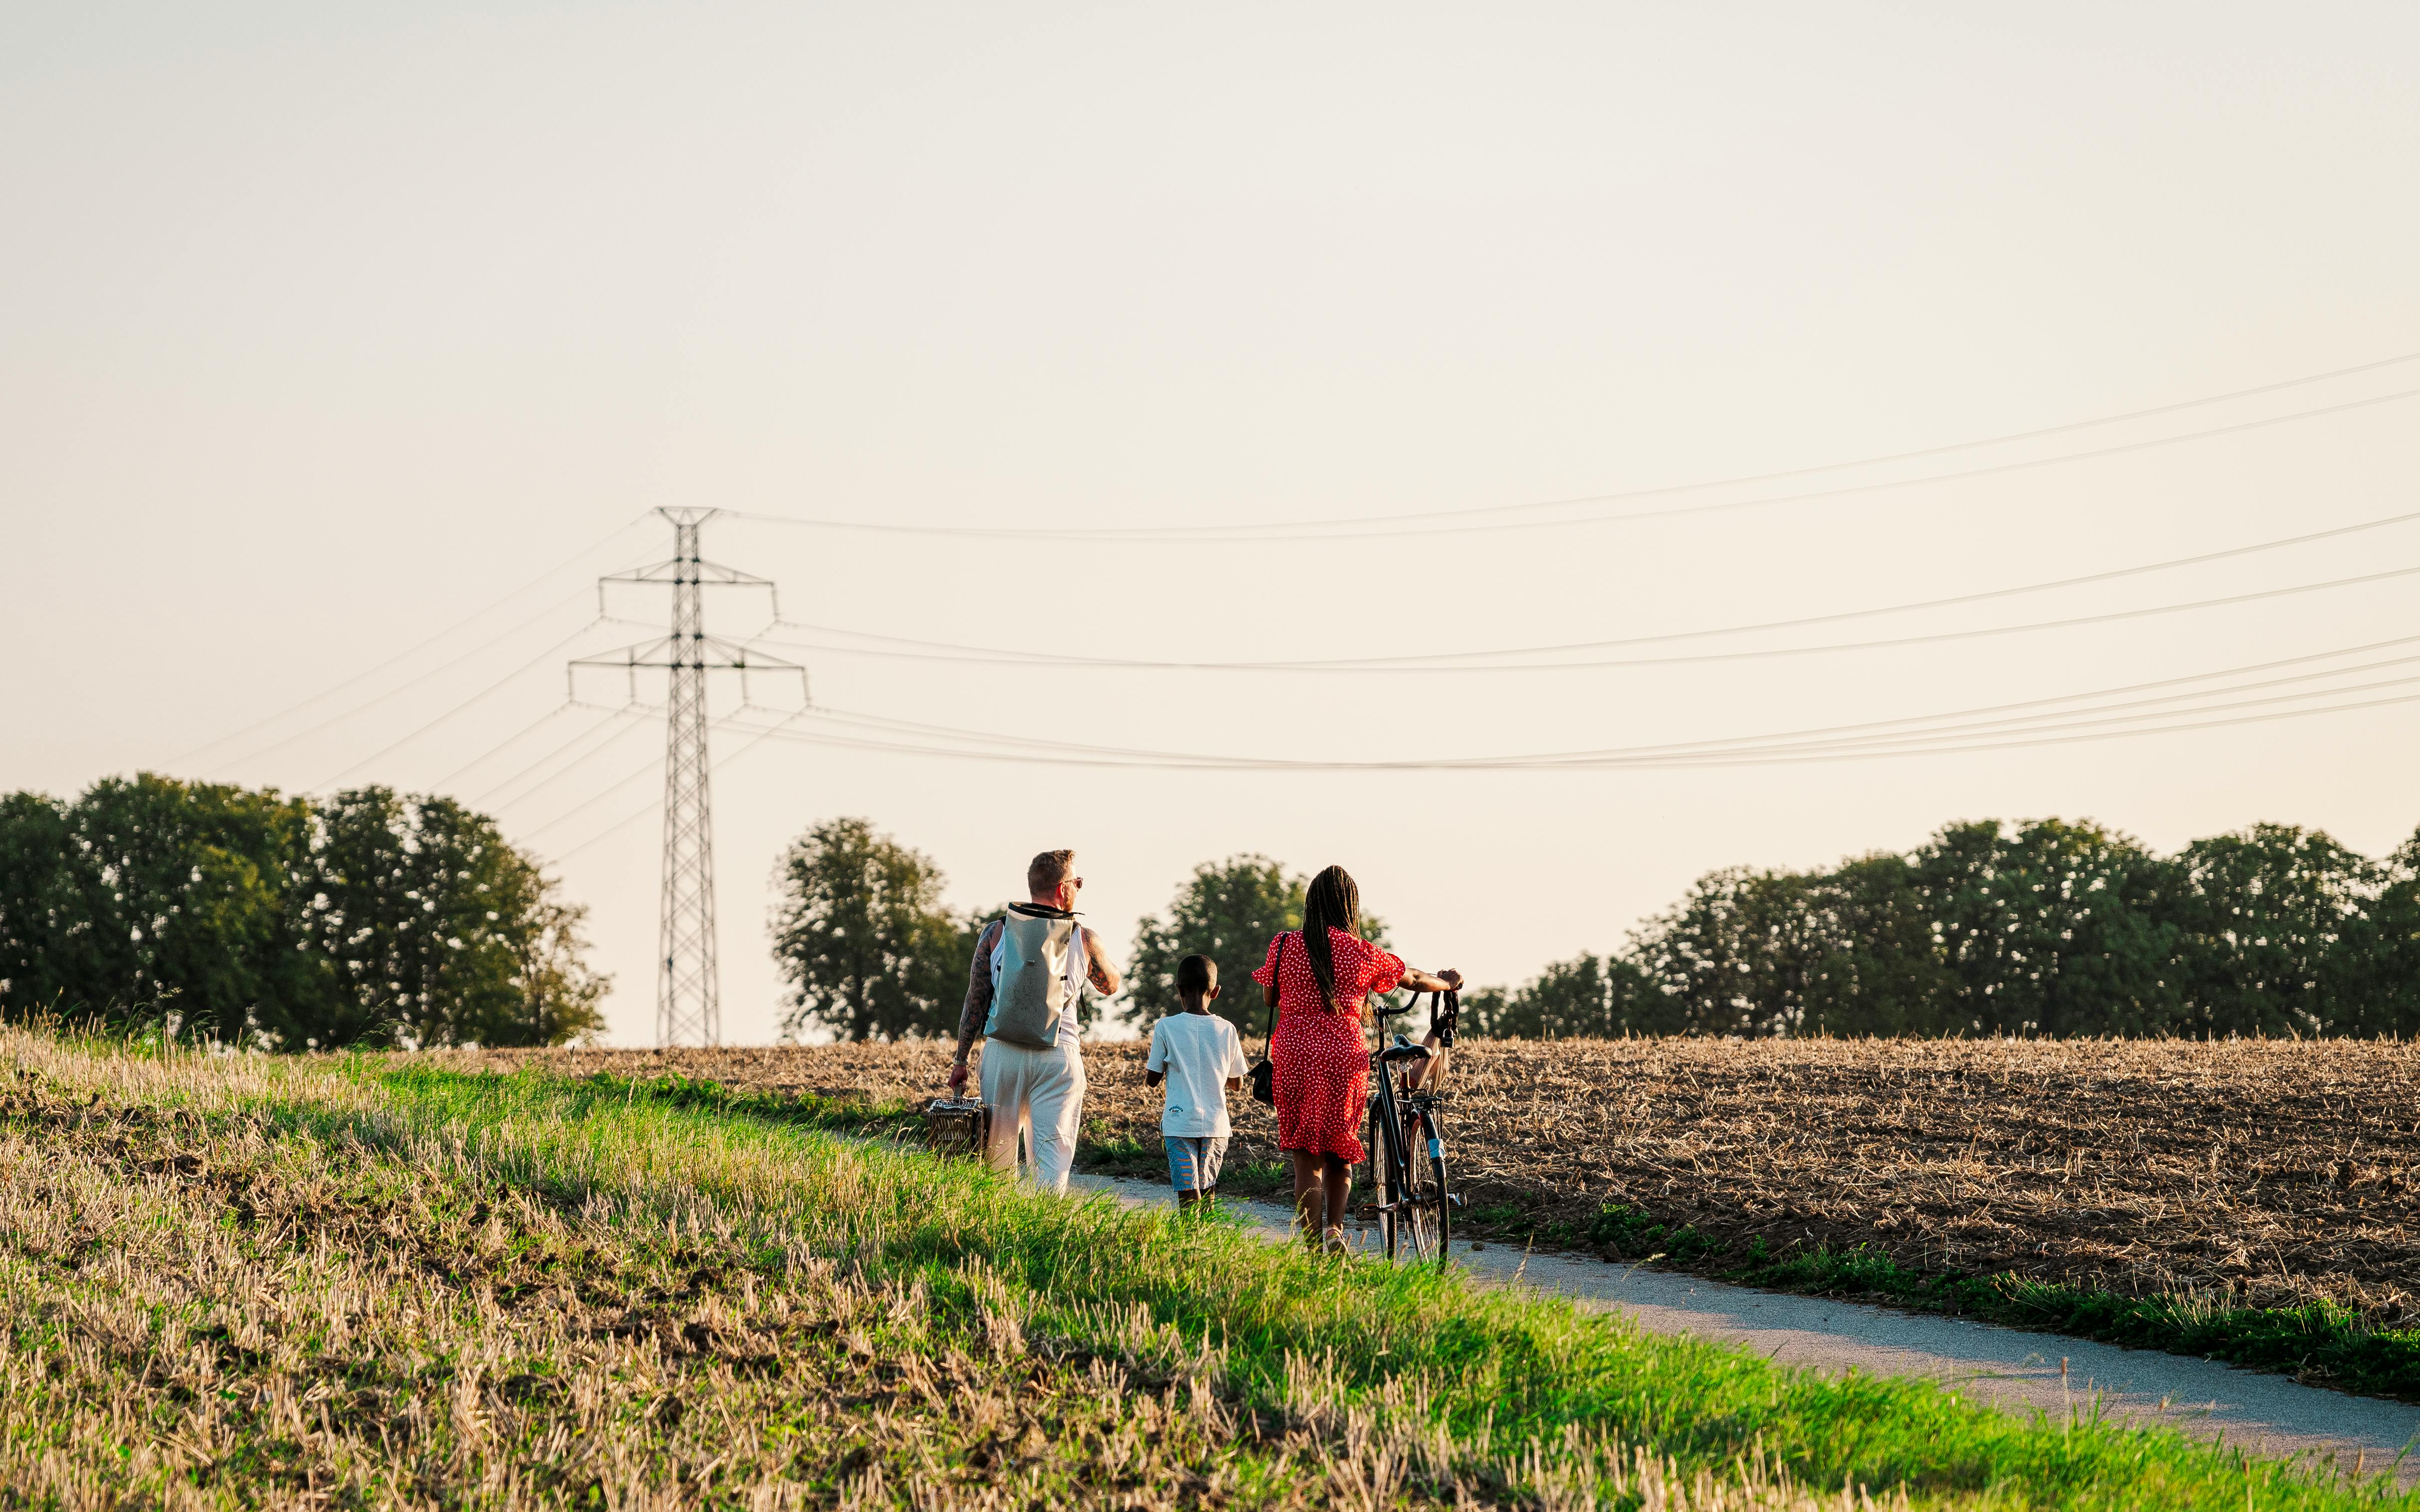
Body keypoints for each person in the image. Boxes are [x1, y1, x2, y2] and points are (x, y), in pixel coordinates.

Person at [1252, 864, 1461, 1251]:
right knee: (1339, 1150)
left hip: (1295, 1051)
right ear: (1350, 907)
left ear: (1311, 904)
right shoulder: (1361, 951)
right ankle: (1334, 1230)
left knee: (1306, 1159)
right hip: (1342, 1051)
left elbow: (1270, 998)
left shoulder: (1284, 945)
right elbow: (1414, 979)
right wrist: (1446, 983)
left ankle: (1314, 1250)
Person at [948, 848, 1121, 1193]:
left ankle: (993, 1222)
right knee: (1052, 1165)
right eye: (1077, 882)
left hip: (1003, 1055)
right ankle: (1046, 1221)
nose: (1079, 888)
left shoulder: (995, 933)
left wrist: (961, 1060)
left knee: (995, 1163)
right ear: (1062, 889)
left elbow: (976, 999)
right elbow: (1110, 985)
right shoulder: (1084, 938)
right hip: (1058, 1057)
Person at [1144, 955, 1249, 1210]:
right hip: (1215, 1123)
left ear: (1179, 989)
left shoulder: (1166, 1027)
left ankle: (1189, 1235)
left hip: (1180, 1122)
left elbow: (1152, 1080)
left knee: (1188, 1191)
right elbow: (1237, 1084)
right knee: (1207, 1189)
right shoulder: (1227, 1029)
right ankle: (1207, 1234)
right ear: (1216, 992)